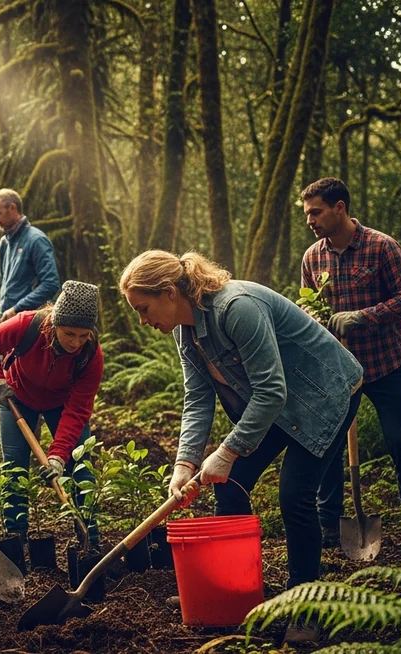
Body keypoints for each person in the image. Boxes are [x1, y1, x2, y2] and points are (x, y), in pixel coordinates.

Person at [120, 250, 362, 643]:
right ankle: (236, 592)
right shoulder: (186, 333)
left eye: (143, 309)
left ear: (168, 292)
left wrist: (228, 450)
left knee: (295, 495)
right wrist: (185, 463)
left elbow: (271, 390)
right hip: (274, 405)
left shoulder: (236, 307)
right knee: (228, 485)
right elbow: (197, 399)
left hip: (324, 394)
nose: (142, 321)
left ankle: (306, 606)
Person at [299, 178, 401, 555]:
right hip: (337, 371)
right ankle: (329, 523)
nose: (310, 219)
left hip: (385, 365)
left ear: (339, 207)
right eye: (307, 213)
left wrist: (364, 316)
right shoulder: (313, 257)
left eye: (316, 211)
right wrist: (314, 315)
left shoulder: (381, 246)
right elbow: (308, 305)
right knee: (327, 446)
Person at [0, 280, 105, 547]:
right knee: (14, 468)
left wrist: (57, 456)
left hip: (62, 403)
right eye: (69, 333)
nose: (75, 342)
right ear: (54, 322)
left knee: (80, 466)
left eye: (83, 335)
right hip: (17, 397)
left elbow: (78, 409)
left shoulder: (91, 355)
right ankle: (15, 540)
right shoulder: (27, 325)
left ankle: (90, 540)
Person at [0, 188, 60, 322]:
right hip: (7, 321)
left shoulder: (37, 240)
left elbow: (51, 284)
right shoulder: (4, 243)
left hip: (31, 322)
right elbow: (6, 286)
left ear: (12, 208)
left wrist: (17, 309)